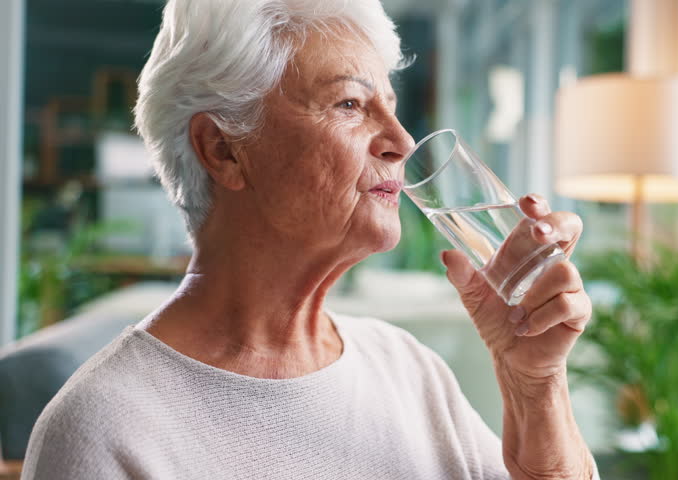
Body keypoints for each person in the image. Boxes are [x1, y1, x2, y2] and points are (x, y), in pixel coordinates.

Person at [21, 1, 597, 478]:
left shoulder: (407, 369)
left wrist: (535, 386)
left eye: (391, 109)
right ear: (223, 149)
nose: (400, 139)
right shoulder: (106, 428)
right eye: (349, 104)